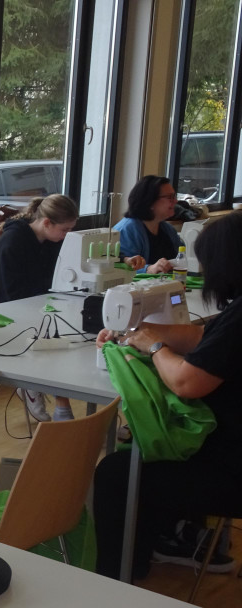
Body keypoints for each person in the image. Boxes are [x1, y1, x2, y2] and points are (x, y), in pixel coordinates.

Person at [92, 211, 242, 580]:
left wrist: (155, 346)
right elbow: (202, 338)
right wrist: (138, 330)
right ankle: (168, 538)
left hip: (231, 471)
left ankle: (117, 579)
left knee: (117, 472)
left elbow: (186, 383)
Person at [0, 194, 79, 421]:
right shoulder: (13, 243)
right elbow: (13, 295)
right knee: (60, 342)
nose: (67, 235)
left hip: (31, 306)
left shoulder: (51, 241)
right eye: (65, 230)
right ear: (47, 223)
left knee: (69, 338)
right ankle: (35, 386)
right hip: (1, 315)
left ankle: (54, 398)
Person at [112, 175, 184, 274]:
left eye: (174, 196)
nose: (175, 201)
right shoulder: (126, 230)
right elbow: (120, 268)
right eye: (170, 197)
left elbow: (182, 257)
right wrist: (149, 269)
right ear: (150, 201)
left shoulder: (168, 229)